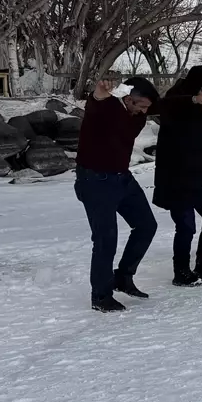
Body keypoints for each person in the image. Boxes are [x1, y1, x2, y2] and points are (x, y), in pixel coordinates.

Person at [74, 76, 160, 313]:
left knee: (146, 226)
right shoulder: (106, 106)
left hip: (121, 177)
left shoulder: (138, 114)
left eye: (147, 108)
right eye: (140, 105)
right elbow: (97, 101)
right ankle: (101, 296)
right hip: (95, 180)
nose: (144, 111)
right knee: (105, 239)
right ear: (127, 98)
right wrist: (100, 91)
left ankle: (123, 277)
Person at [153, 65, 202, 286]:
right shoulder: (176, 98)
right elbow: (166, 107)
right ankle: (181, 270)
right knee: (186, 225)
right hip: (177, 178)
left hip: (201, 175)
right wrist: (196, 102)